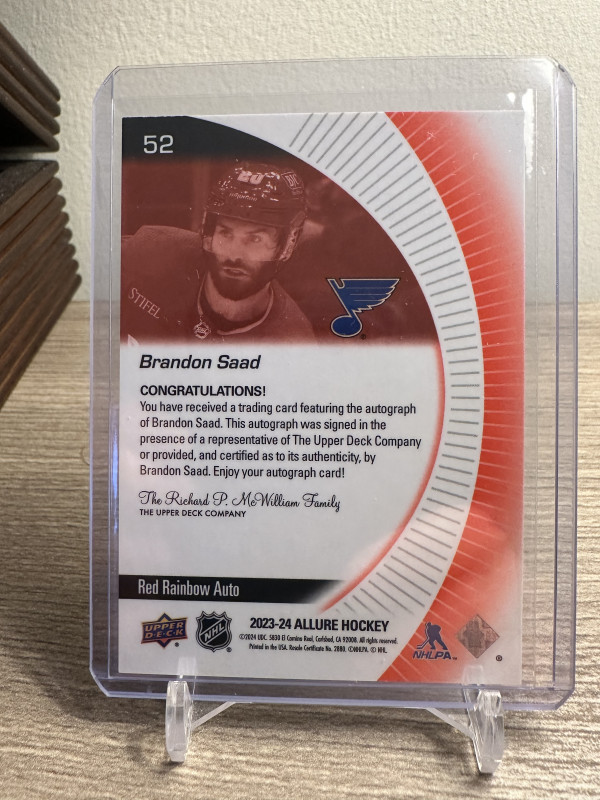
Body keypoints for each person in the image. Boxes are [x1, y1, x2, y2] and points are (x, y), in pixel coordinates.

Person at [121, 161, 315, 343]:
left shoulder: (291, 344)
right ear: (208, 232)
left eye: (255, 239)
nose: (234, 255)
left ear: (286, 246)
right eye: (225, 233)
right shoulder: (150, 251)